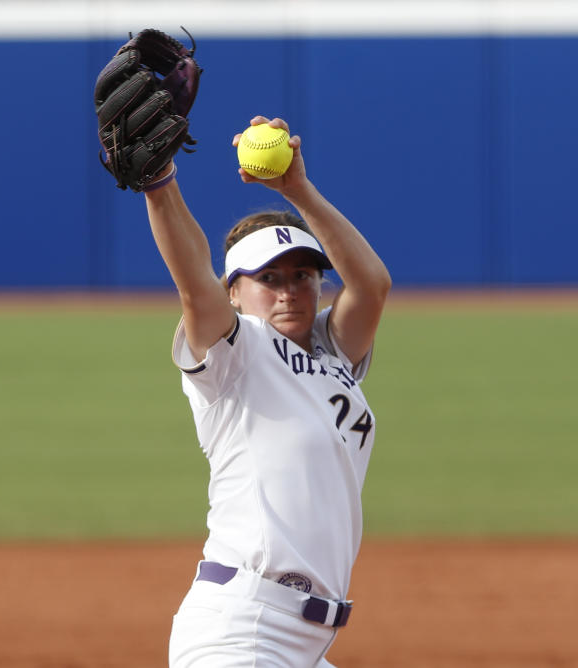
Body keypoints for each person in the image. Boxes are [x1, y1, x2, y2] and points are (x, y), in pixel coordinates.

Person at [143, 115, 391, 667]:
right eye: (268, 278)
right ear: (233, 292)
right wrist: (160, 186)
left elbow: (371, 285)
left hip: (304, 645)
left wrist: (297, 190)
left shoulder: (332, 355)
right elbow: (192, 282)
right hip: (243, 631)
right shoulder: (236, 352)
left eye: (303, 274)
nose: (289, 291)